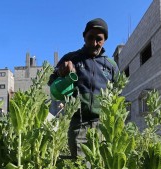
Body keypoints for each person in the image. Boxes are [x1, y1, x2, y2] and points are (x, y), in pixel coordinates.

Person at [48, 18, 119, 158]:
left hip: (102, 124)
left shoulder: (111, 65)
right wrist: (60, 72)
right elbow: (51, 82)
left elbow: (117, 92)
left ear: (105, 40)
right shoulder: (71, 58)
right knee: (80, 166)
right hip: (79, 123)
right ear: (84, 36)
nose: (94, 43)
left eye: (99, 39)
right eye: (90, 37)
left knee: (100, 166)